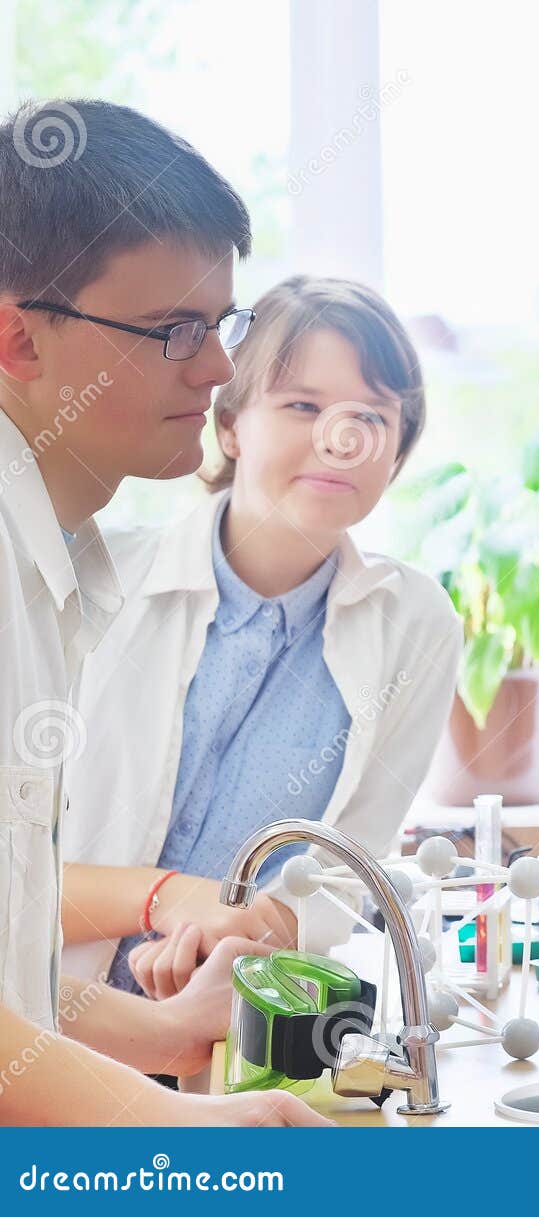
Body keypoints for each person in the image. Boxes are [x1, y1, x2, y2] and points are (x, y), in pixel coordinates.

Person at [0, 97, 326, 1124]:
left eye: (222, 322)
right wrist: (198, 1129)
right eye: (175, 329)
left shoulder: (58, 552)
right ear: (16, 338)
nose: (221, 368)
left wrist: (162, 1034)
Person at [62, 276, 462, 1003]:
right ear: (230, 425)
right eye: (302, 405)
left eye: (371, 415)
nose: (338, 441)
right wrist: (169, 898)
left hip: (239, 1028)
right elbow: (15, 866)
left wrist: (229, 935)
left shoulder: (416, 621)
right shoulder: (90, 578)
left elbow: (344, 872)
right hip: (46, 1035)